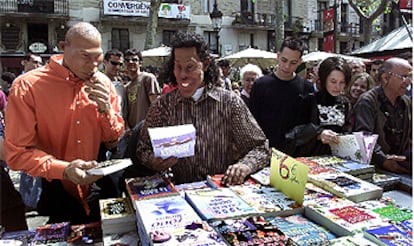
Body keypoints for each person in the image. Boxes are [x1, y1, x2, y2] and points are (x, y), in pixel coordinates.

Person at [4, 22, 124, 224]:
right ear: (63, 47)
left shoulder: (103, 83)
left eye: (98, 57)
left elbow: (113, 141)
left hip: (101, 189)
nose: (93, 65)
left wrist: (106, 111)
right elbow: (17, 153)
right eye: (86, 56)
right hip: (56, 189)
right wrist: (64, 169)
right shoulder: (28, 86)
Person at [136, 31, 270, 185]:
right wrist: (153, 161)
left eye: (190, 67)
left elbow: (260, 148)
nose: (182, 75)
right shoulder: (162, 106)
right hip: (178, 192)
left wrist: (245, 166)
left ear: (205, 64)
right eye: (178, 67)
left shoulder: (229, 103)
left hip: (221, 191)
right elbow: (142, 148)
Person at [250, 37, 315, 157]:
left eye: (293, 63)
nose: (287, 66)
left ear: (300, 62)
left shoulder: (307, 88)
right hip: (266, 153)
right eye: (284, 60)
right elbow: (252, 123)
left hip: (296, 154)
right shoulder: (260, 85)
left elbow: (308, 125)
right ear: (278, 56)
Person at [354, 57, 412, 174]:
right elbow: (364, 137)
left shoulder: (406, 102)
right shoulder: (368, 101)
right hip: (376, 167)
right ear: (385, 78)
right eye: (404, 77)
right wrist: (384, 160)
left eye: (410, 77)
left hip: (400, 164)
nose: (408, 82)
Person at [304, 56, 352, 156]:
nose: (337, 87)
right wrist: (318, 134)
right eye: (333, 82)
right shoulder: (309, 100)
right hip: (312, 156)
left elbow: (348, 129)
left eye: (342, 82)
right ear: (324, 79)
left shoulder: (345, 103)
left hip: (339, 157)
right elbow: (297, 131)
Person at [124, 48, 161, 130]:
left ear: (140, 63)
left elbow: (155, 105)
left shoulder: (148, 78)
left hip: (148, 129)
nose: (130, 62)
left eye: (134, 60)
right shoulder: (126, 87)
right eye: (127, 60)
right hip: (133, 132)